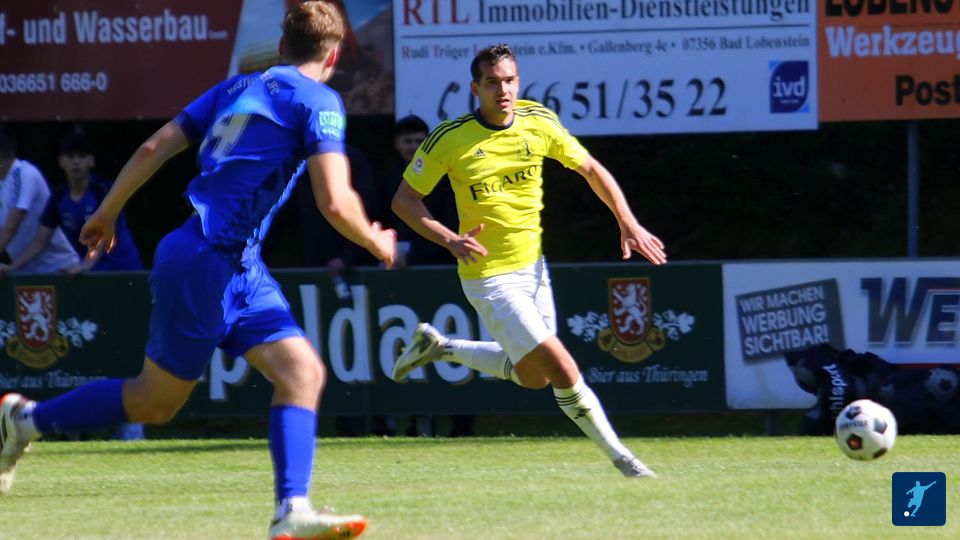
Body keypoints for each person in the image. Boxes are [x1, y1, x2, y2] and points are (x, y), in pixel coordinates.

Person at [0, 3, 396, 540]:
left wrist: (107, 210)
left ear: (282, 48)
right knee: (153, 402)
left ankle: (291, 510)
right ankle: (24, 419)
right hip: (207, 259)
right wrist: (375, 239)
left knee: (302, 373)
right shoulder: (319, 100)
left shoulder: (236, 87)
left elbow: (154, 145)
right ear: (334, 56)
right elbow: (335, 201)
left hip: (235, 262)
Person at [391, 44, 667, 477]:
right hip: (489, 277)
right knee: (561, 366)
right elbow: (404, 201)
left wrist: (627, 221)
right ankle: (624, 459)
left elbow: (591, 169)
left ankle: (442, 348)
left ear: (518, 82)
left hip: (534, 269)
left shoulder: (538, 121)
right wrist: (449, 239)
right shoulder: (449, 138)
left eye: (509, 81)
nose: (503, 90)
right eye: (492, 82)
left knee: (535, 376)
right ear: (475, 88)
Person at [0, 133, 147, 441]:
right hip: (88, 281)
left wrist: (86, 265)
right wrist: (13, 267)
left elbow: (106, 233)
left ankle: (133, 425)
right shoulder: (58, 198)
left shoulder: (103, 190)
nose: (76, 162)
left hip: (122, 276)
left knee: (126, 345)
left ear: (91, 161)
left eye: (82, 156)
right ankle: (85, 423)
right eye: (70, 157)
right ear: (61, 162)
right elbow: (39, 241)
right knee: (94, 350)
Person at [0, 128, 80, 273]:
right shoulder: (2, 184)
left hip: (61, 270)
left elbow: (11, 227)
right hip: (26, 272)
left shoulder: (23, 173)